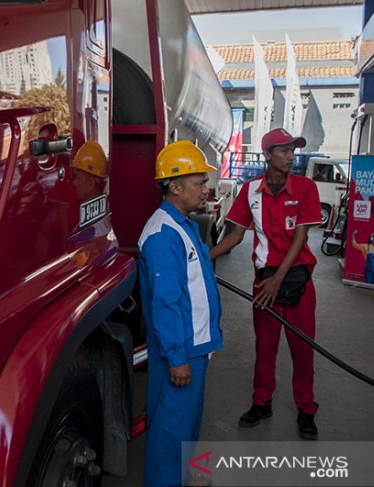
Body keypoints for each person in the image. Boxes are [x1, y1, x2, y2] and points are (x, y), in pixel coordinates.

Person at [210, 127, 322, 441]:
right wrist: (201, 256)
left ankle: (306, 409)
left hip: (297, 282)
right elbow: (234, 235)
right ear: (268, 155)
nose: (290, 156)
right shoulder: (249, 191)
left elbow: (301, 238)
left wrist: (278, 281)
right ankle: (262, 403)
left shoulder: (305, 188)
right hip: (264, 282)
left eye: (293, 150)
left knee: (303, 350)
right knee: (265, 349)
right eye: (284, 151)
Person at [138, 140, 223, 485]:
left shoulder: (183, 224)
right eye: (199, 182)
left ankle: (185, 475)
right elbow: (166, 302)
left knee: (186, 425)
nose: (206, 188)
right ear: (174, 186)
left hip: (195, 348)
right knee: (169, 435)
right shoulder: (163, 234)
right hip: (181, 352)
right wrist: (176, 358)